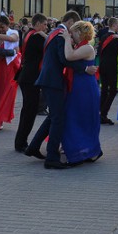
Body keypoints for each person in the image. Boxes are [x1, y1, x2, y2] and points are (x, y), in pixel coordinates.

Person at [24, 11, 97, 169]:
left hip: (50, 80)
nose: (72, 35)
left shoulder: (54, 32)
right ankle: (51, 157)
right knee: (58, 119)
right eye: (74, 29)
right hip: (53, 81)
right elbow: (64, 59)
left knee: (53, 117)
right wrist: (85, 69)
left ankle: (34, 147)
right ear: (70, 22)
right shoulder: (60, 35)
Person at [60, 20, 103, 165]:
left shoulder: (88, 48)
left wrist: (66, 40)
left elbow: (69, 56)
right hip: (79, 86)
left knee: (84, 118)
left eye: (72, 33)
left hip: (85, 88)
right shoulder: (81, 46)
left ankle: (89, 150)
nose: (71, 36)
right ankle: (79, 149)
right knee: (75, 117)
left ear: (80, 33)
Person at [14, 13, 47, 153]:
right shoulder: (37, 36)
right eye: (45, 24)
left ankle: (20, 141)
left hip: (26, 76)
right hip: (30, 78)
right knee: (30, 111)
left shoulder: (29, 34)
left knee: (27, 110)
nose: (46, 27)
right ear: (38, 24)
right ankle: (21, 143)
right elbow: (49, 45)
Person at [98, 17, 118, 125]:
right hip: (111, 67)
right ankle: (103, 114)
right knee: (113, 90)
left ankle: (100, 113)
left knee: (104, 90)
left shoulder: (104, 36)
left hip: (102, 65)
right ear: (113, 25)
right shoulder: (115, 38)